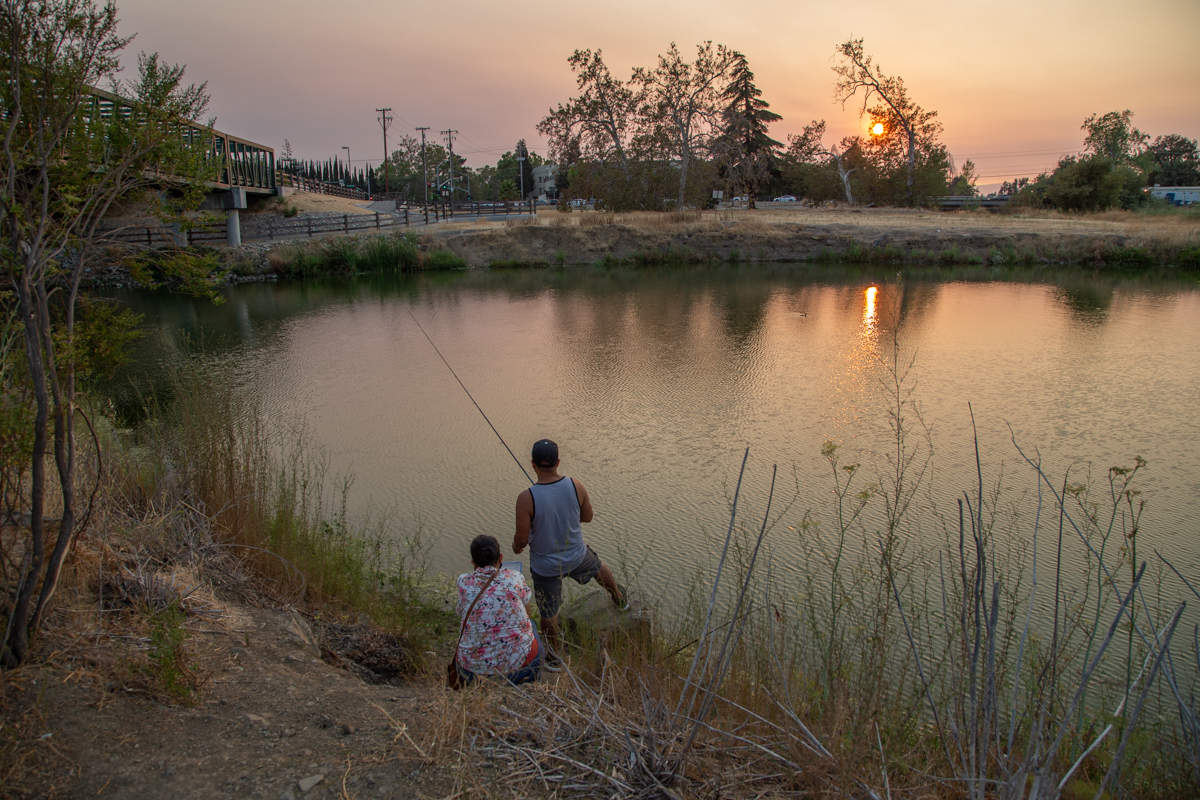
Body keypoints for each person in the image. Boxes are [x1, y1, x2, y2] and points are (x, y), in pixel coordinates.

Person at [513, 438, 627, 669]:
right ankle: (618, 598)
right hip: (576, 555)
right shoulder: (576, 485)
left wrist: (516, 548)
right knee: (598, 567)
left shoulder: (526, 498)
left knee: (549, 612)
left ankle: (554, 657)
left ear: (533, 464)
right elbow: (588, 517)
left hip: (546, 566)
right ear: (558, 462)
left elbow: (522, 539)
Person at [455, 534, 541, 686]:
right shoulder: (515, 577)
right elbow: (527, 614)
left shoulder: (463, 582)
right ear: (501, 558)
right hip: (516, 669)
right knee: (532, 625)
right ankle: (532, 682)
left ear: (473, 562)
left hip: (471, 672)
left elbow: (461, 614)